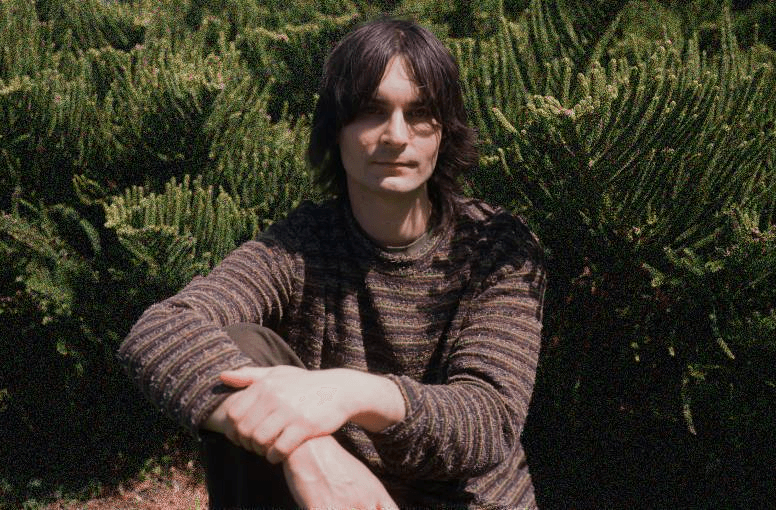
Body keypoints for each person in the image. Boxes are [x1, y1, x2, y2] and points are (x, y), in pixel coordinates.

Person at [118, 17, 546, 509]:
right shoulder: (302, 246)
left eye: (420, 113)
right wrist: (308, 447)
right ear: (335, 129)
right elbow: (159, 331)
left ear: (444, 134)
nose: (396, 135)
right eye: (371, 111)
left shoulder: (497, 246)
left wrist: (351, 393)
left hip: (470, 501)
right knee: (240, 351)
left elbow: (488, 417)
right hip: (335, 496)